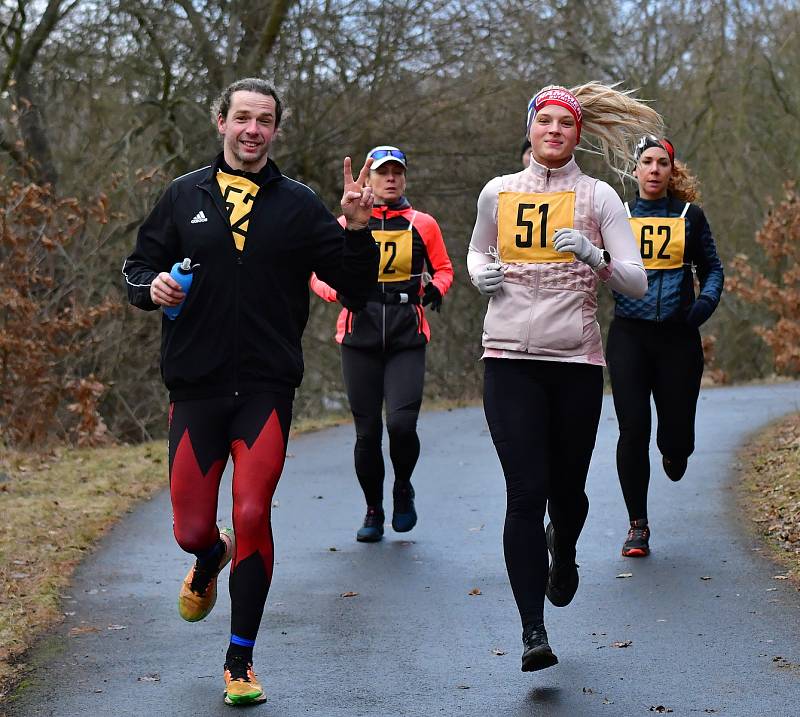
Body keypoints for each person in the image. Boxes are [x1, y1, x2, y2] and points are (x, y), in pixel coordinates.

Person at [122, 77, 378, 706]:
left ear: (275, 131)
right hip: (196, 385)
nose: (253, 130)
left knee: (253, 511)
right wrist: (150, 288)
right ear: (221, 123)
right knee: (190, 529)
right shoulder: (185, 195)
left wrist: (357, 226)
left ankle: (240, 660)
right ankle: (209, 559)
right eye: (242, 118)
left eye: (264, 120)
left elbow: (353, 289)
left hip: (265, 386)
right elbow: (136, 268)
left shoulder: (298, 204)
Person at [468, 82, 660, 672]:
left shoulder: (599, 196)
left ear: (579, 134)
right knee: (525, 493)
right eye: (544, 121)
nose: (554, 130)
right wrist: (481, 274)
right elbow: (476, 250)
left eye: (565, 124)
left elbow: (637, 281)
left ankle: (566, 549)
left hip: (574, 363)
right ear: (529, 129)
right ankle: (533, 632)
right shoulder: (497, 192)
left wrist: (594, 256)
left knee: (567, 494)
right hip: (507, 359)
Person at [310, 145, 453, 542]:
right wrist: (336, 294)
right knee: (367, 432)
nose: (391, 178)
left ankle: (402, 485)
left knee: (402, 425)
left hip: (408, 334)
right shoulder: (346, 225)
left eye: (397, 172)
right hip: (360, 336)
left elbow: (443, 268)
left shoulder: (423, 224)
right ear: (367, 180)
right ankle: (373, 507)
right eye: (382, 173)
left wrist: (437, 288)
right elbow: (317, 275)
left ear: (404, 178)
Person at [608, 136, 724, 558]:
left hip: (678, 337)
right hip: (629, 336)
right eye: (647, 163)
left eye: (662, 163)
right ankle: (637, 524)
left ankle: (676, 453)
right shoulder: (617, 215)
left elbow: (713, 268)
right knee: (632, 430)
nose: (654, 169)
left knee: (675, 440)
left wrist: (705, 304)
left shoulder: (690, 216)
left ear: (672, 171)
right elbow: (597, 266)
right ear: (635, 171)